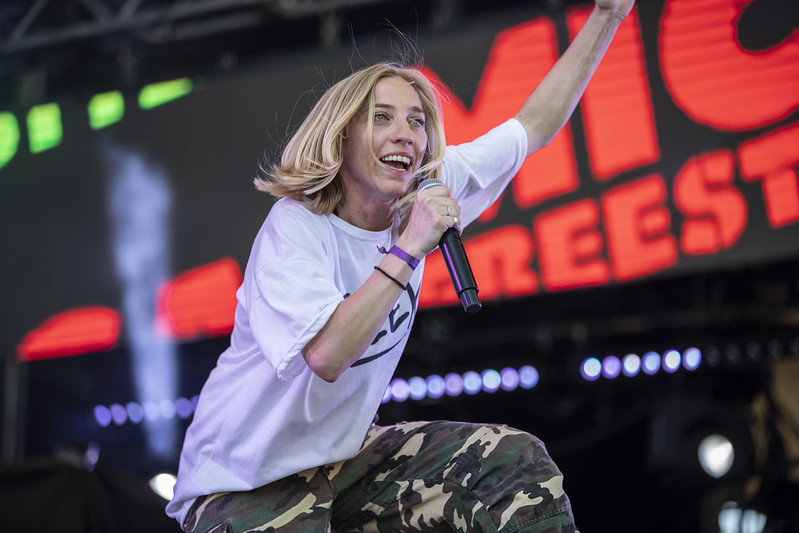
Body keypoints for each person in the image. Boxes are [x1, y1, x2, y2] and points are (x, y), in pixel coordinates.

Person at [166, 0, 634, 531]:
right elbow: (327, 355)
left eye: (417, 121)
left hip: (342, 465)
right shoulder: (297, 226)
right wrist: (408, 248)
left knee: (508, 461)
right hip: (241, 483)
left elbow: (533, 127)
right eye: (381, 118)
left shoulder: (426, 190)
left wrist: (608, 15)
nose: (405, 133)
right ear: (341, 136)